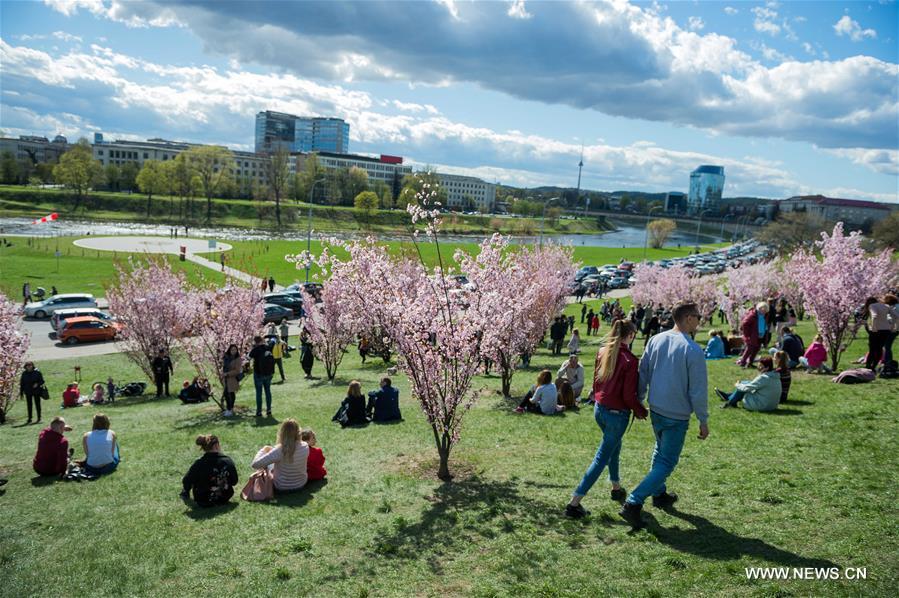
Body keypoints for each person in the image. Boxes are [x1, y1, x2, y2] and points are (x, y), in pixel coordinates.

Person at [620, 303, 709, 530]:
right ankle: (633, 502)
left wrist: (640, 398)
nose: (700, 320)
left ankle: (659, 493)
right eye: (698, 316)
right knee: (667, 461)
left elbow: (644, 372)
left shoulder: (656, 340)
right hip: (676, 413)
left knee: (660, 451)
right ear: (688, 318)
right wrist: (703, 419)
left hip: (657, 408)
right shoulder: (693, 350)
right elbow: (697, 390)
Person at [566, 320, 646, 519]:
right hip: (616, 414)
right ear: (630, 335)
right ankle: (574, 503)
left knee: (614, 448)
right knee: (601, 457)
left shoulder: (603, 351)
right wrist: (640, 410)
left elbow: (595, 381)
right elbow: (628, 396)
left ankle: (616, 486)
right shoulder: (629, 360)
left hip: (600, 409)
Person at [251, 419, 309, 492]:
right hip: (301, 484)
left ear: (282, 433)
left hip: (281, 486)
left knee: (268, 464)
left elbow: (255, 464)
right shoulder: (305, 446)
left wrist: (263, 450)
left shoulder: (279, 450)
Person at [181, 434, 238, 507]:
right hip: (224, 497)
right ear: (216, 445)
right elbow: (234, 481)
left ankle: (185, 494)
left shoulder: (199, 463)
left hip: (203, 499)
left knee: (193, 477)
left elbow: (186, 480)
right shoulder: (227, 461)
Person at [716, 356, 781, 412]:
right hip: (772, 406)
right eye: (758, 365)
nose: (759, 368)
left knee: (742, 387)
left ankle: (730, 402)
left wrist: (737, 384)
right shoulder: (775, 376)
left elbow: (746, 388)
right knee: (745, 382)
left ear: (767, 368)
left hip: (761, 406)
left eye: (761, 366)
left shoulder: (764, 378)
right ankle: (729, 397)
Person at [248, 335, 275, 417]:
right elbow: (274, 339)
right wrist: (267, 336)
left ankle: (259, 411)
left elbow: (248, 357)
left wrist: (251, 346)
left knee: (259, 393)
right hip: (269, 373)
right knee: (268, 391)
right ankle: (269, 409)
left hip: (258, 373)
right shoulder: (268, 347)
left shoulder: (255, 350)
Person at [864, 296, 893, 371]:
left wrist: (874, 327)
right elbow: (894, 316)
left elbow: (874, 316)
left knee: (872, 348)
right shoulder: (886, 306)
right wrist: (894, 326)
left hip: (876, 330)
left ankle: (868, 366)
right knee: (879, 348)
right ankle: (873, 366)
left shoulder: (872, 306)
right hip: (886, 330)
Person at [737, 302, 769, 367]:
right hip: (752, 335)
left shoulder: (765, 315)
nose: (764, 311)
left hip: (761, 335)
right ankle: (743, 362)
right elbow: (745, 324)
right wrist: (748, 334)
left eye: (765, 310)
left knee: (756, 349)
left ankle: (750, 363)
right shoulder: (752, 315)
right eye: (763, 309)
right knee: (749, 349)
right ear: (759, 308)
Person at [222, 344, 243, 416]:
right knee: (228, 393)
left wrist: (227, 374)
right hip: (226, 378)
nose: (233, 351)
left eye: (235, 350)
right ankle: (230, 409)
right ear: (229, 350)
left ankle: (229, 409)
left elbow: (237, 370)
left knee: (229, 393)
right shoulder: (226, 358)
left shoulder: (238, 359)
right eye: (232, 350)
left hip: (232, 378)